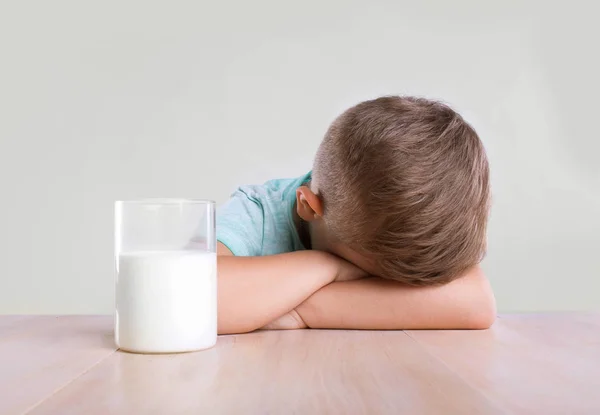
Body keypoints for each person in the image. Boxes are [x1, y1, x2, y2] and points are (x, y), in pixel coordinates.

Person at [216, 96, 495, 334]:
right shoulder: (256, 213)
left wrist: (302, 310)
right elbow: (192, 296)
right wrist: (324, 265)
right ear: (308, 206)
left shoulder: (428, 232)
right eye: (363, 272)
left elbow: (475, 304)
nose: (388, 286)